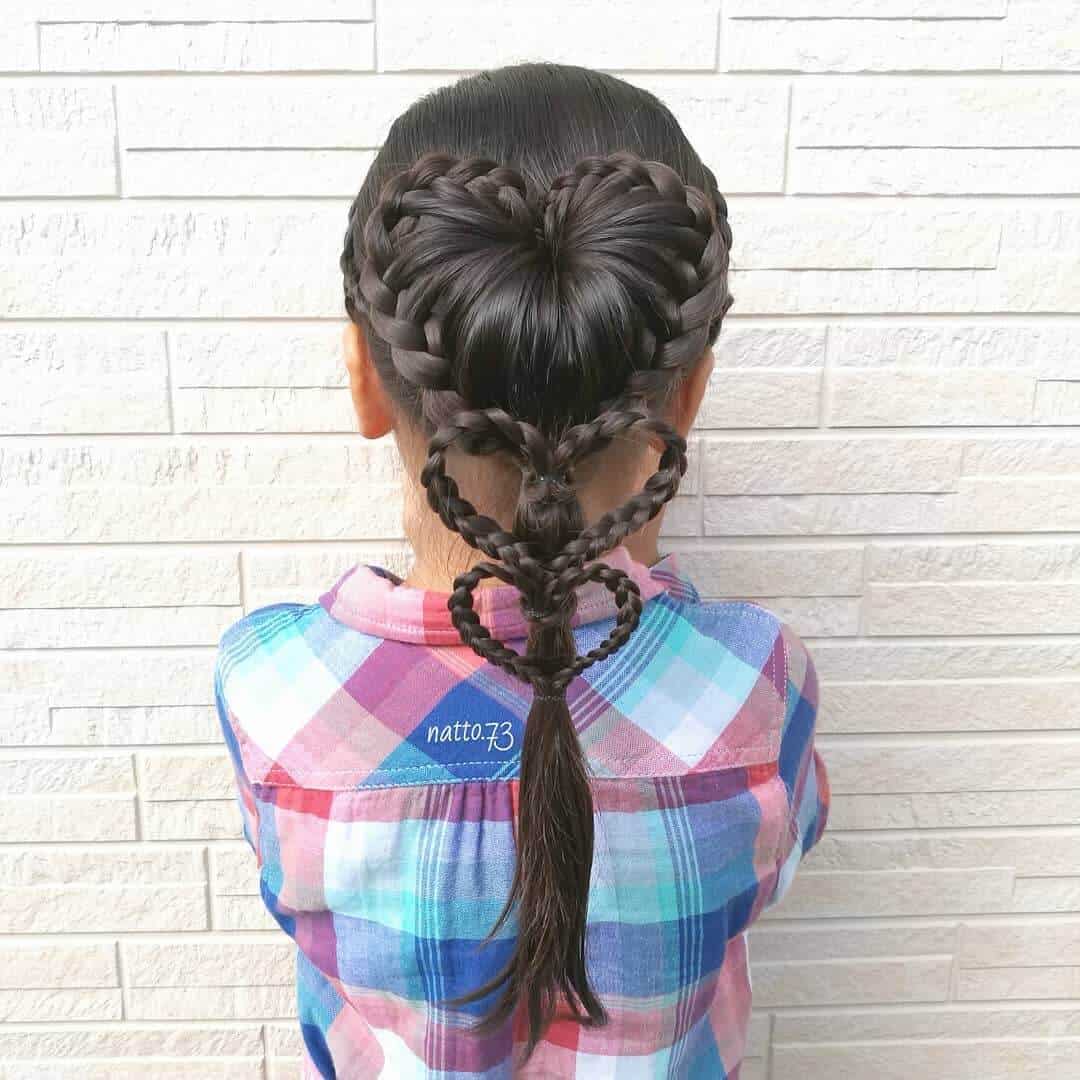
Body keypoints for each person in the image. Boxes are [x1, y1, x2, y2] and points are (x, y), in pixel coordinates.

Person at [214, 61, 829, 1080]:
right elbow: (773, 871)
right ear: (688, 397)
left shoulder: (270, 687)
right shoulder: (758, 685)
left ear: (366, 381)